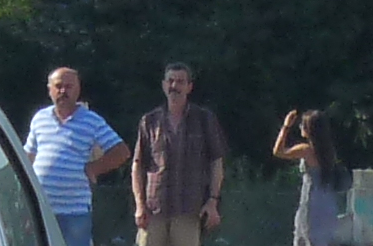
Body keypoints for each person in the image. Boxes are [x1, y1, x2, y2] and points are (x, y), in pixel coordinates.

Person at [27, 69, 131, 246]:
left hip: (74, 211)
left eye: (69, 87)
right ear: (49, 89)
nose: (63, 91)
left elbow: (122, 152)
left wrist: (94, 168)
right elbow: (29, 155)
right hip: (41, 208)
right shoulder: (40, 119)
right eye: (58, 86)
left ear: (78, 89)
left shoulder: (91, 120)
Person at [129, 63, 226, 246]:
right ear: (164, 85)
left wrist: (213, 201)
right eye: (171, 81)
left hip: (189, 210)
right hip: (153, 209)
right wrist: (140, 205)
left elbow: (216, 162)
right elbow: (138, 165)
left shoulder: (204, 119)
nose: (175, 86)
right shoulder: (150, 121)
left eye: (180, 82)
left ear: (189, 87)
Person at [269, 111, 347, 246]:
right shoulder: (329, 152)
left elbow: (278, 151)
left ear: (309, 129)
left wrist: (286, 126)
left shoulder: (306, 150)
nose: (300, 127)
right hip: (329, 203)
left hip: (311, 202)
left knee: (304, 238)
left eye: (302, 125)